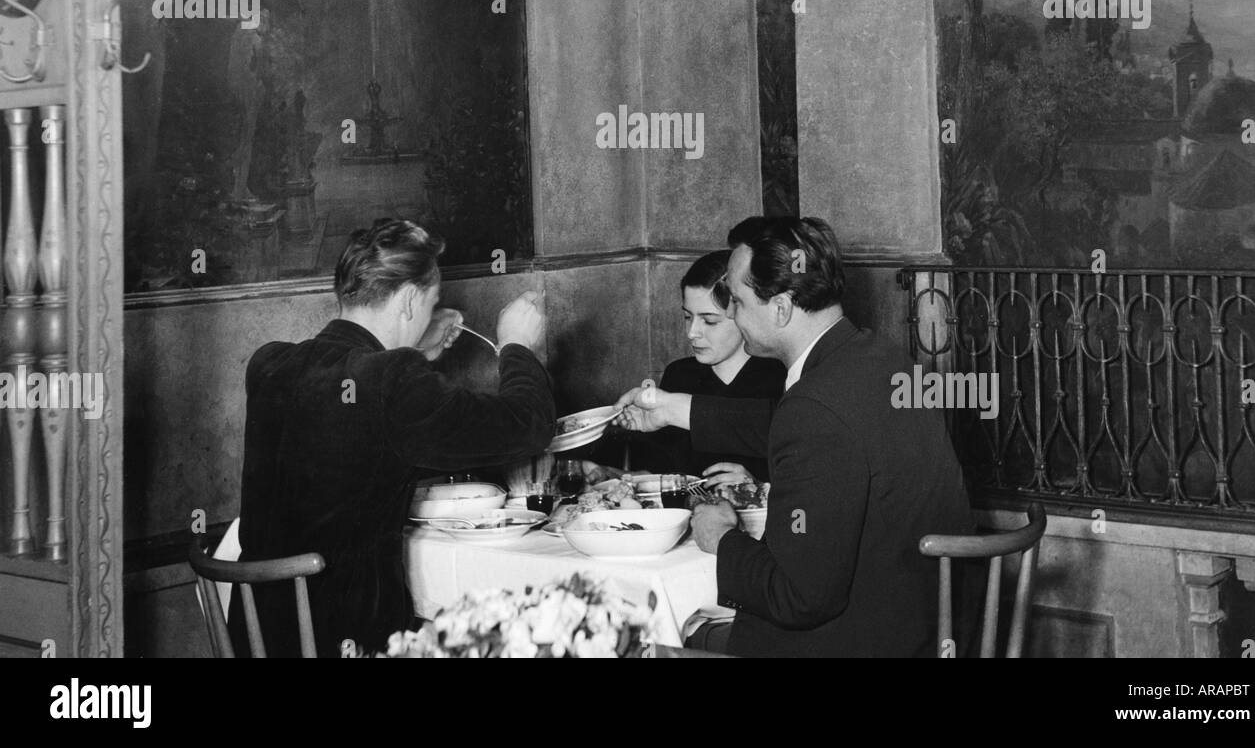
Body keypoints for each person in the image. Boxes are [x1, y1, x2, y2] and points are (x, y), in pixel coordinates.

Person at [616, 216, 973, 658]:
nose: (731, 314)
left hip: (852, 642)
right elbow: (802, 428)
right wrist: (671, 408)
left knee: (639, 637)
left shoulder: (814, 408)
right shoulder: (882, 359)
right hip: (921, 627)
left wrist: (724, 538)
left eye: (738, 302)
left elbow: (799, 598)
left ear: (781, 308)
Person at [229, 218, 553, 657]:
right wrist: (517, 346)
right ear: (408, 301)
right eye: (430, 302)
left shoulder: (270, 365)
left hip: (259, 638)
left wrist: (414, 347)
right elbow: (528, 424)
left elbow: (347, 405)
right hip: (351, 641)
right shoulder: (393, 383)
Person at [631, 250, 784, 485]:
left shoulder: (780, 378)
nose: (692, 333)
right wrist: (616, 476)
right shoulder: (679, 374)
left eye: (709, 321)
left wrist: (758, 485)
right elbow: (660, 471)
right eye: (687, 317)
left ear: (743, 313)